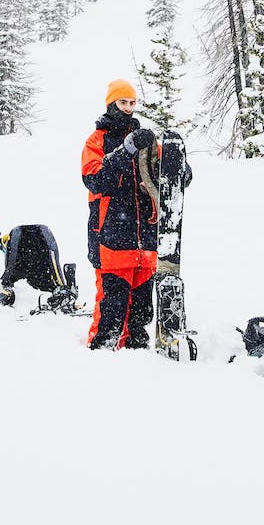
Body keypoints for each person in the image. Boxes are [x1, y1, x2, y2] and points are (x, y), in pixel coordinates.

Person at [80, 78, 189, 349]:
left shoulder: (146, 140)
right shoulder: (97, 140)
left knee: (141, 316)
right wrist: (125, 150)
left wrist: (180, 168)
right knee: (110, 315)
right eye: (123, 102)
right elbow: (95, 180)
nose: (128, 108)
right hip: (111, 237)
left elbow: (171, 177)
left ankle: (138, 362)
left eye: (132, 103)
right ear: (111, 103)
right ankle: (97, 360)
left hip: (145, 241)